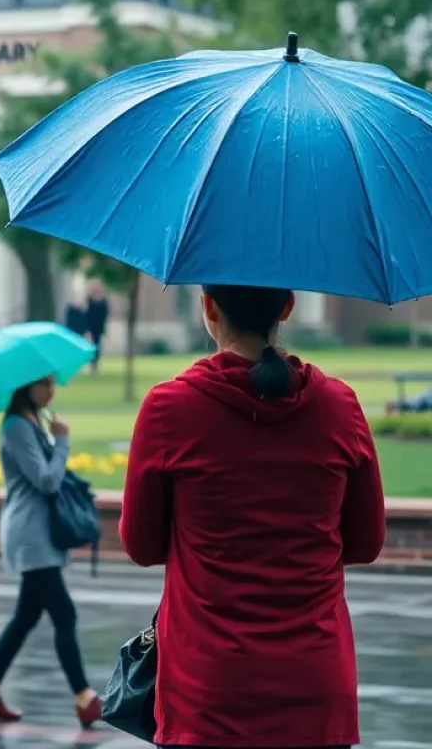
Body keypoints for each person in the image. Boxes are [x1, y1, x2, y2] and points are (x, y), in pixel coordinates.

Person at [121, 284, 386, 749]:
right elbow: (365, 544)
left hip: (206, 693)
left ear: (207, 307)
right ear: (287, 306)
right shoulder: (339, 407)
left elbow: (141, 547)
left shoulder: (170, 408)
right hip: (317, 690)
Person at [0, 377, 102, 729]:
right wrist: (62, 442)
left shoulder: (31, 423)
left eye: (53, 383)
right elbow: (46, 480)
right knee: (64, 615)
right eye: (45, 384)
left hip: (40, 533)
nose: (51, 390)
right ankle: (84, 697)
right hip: (30, 536)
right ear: (26, 386)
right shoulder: (16, 427)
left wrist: (52, 438)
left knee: (26, 616)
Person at [83, 280, 109, 371]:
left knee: (98, 345)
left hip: (99, 327)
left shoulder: (103, 301)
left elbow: (105, 315)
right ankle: (91, 363)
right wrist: (87, 328)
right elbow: (87, 314)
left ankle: (96, 363)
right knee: (91, 345)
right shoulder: (89, 300)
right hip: (91, 327)